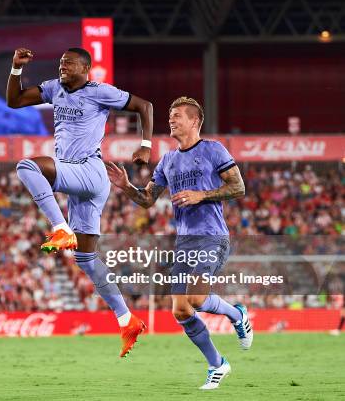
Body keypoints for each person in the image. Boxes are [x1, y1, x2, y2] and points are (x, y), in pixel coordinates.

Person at [7, 47, 153, 357]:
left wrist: (145, 145)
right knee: (86, 259)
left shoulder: (100, 91)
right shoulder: (53, 89)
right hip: (80, 184)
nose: (62, 67)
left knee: (27, 166)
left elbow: (144, 105)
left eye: (68, 63)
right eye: (60, 62)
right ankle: (127, 320)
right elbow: (15, 100)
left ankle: (60, 228)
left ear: (85, 68)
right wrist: (16, 70)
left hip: (89, 171)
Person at [106, 96, 253, 389]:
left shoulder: (213, 149)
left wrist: (202, 195)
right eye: (170, 116)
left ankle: (237, 315)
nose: (171, 120)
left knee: (197, 299)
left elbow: (238, 187)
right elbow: (148, 200)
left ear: (195, 121)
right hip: (185, 242)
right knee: (181, 310)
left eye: (178, 116)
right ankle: (218, 365)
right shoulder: (169, 160)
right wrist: (126, 188)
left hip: (211, 235)